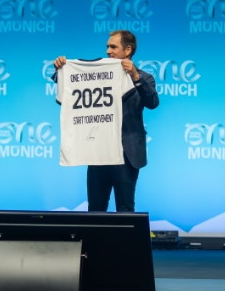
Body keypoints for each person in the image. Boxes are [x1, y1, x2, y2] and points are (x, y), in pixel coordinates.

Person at [53, 30, 159, 212]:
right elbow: (73, 87)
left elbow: (152, 102)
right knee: (95, 209)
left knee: (125, 209)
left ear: (128, 50)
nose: (108, 51)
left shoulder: (144, 77)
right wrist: (61, 71)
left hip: (127, 154)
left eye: (113, 47)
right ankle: (95, 242)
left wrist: (135, 77)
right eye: (107, 47)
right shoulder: (97, 75)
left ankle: (124, 242)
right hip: (98, 152)